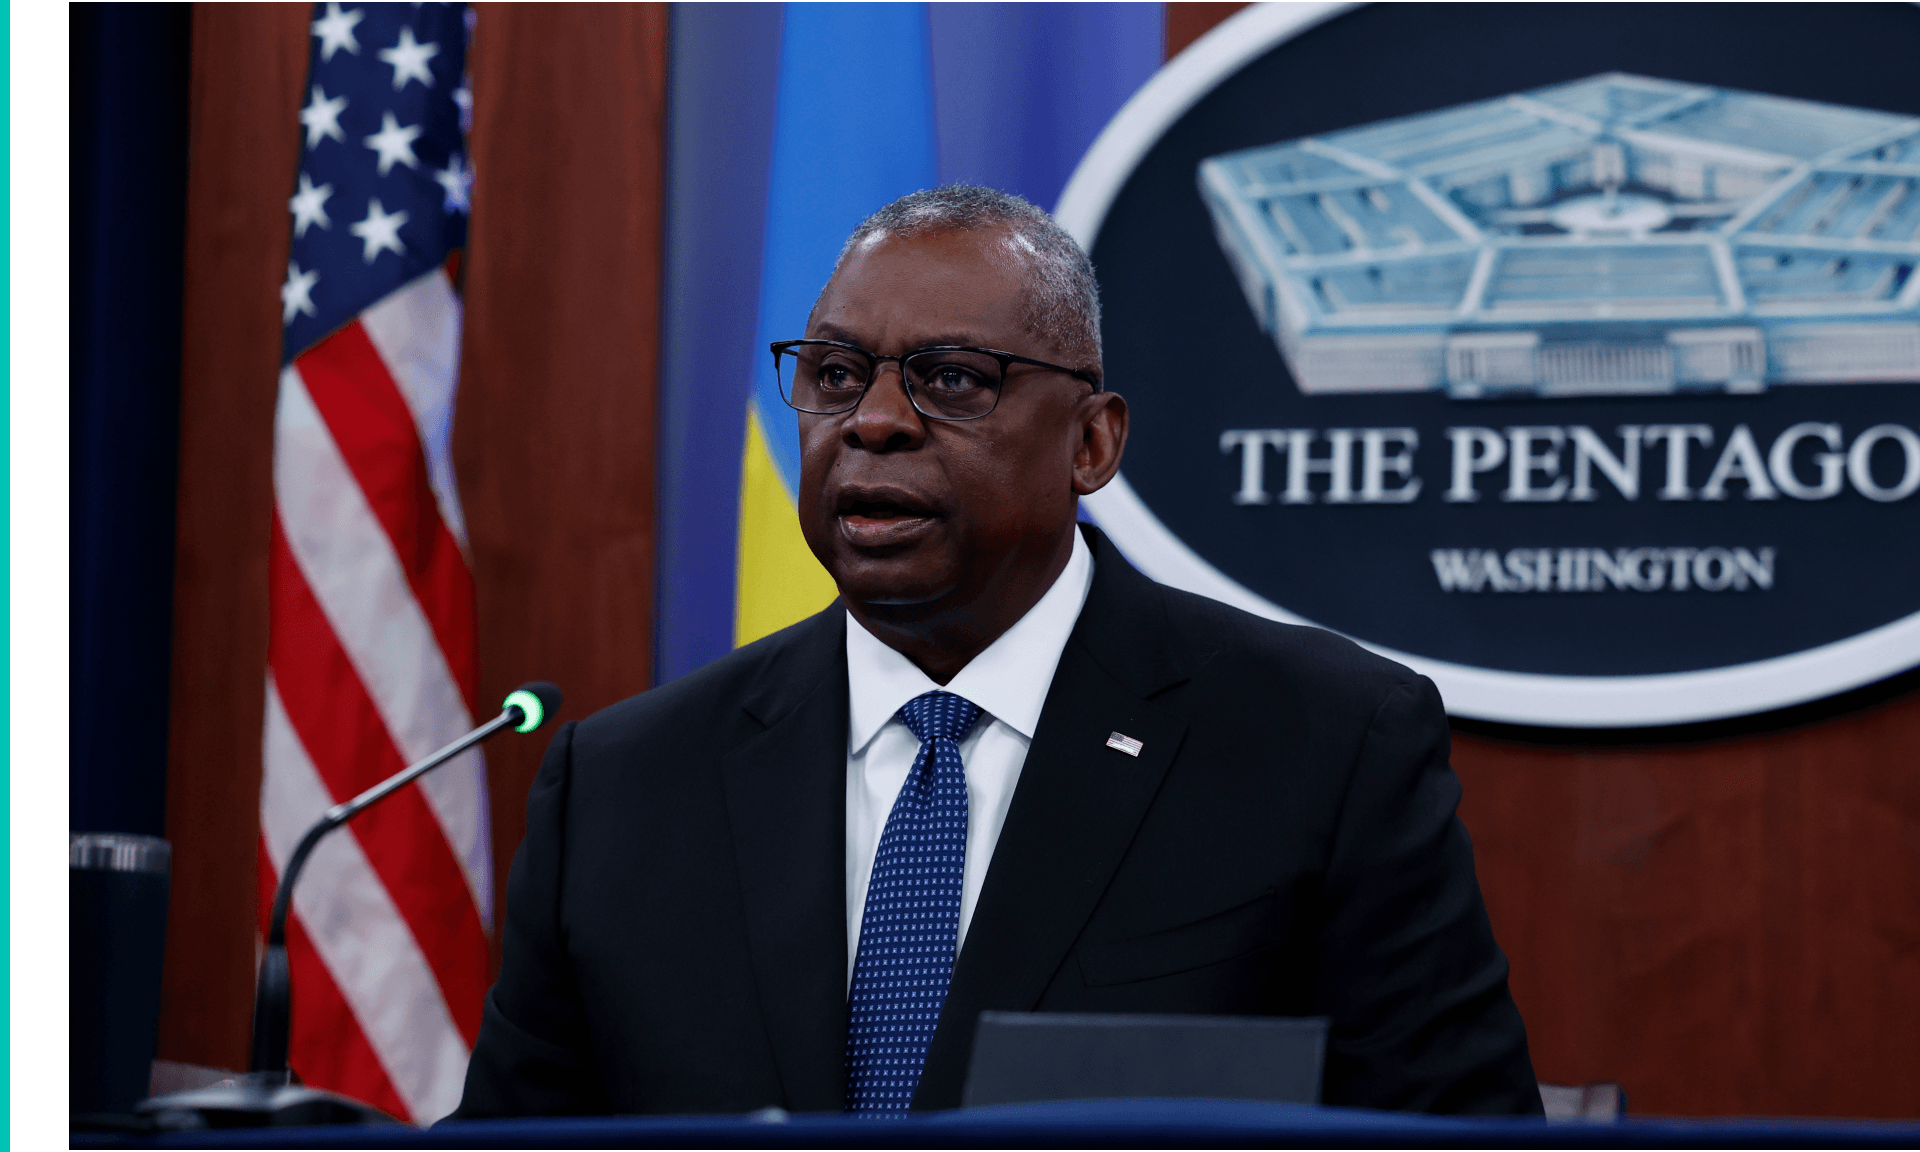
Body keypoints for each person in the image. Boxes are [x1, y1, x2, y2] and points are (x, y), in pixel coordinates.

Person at [452, 186, 1540, 1119]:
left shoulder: (1322, 745)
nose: (873, 423)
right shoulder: (626, 785)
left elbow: (1460, 1140)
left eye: (952, 378)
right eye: (835, 376)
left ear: (1092, 442)